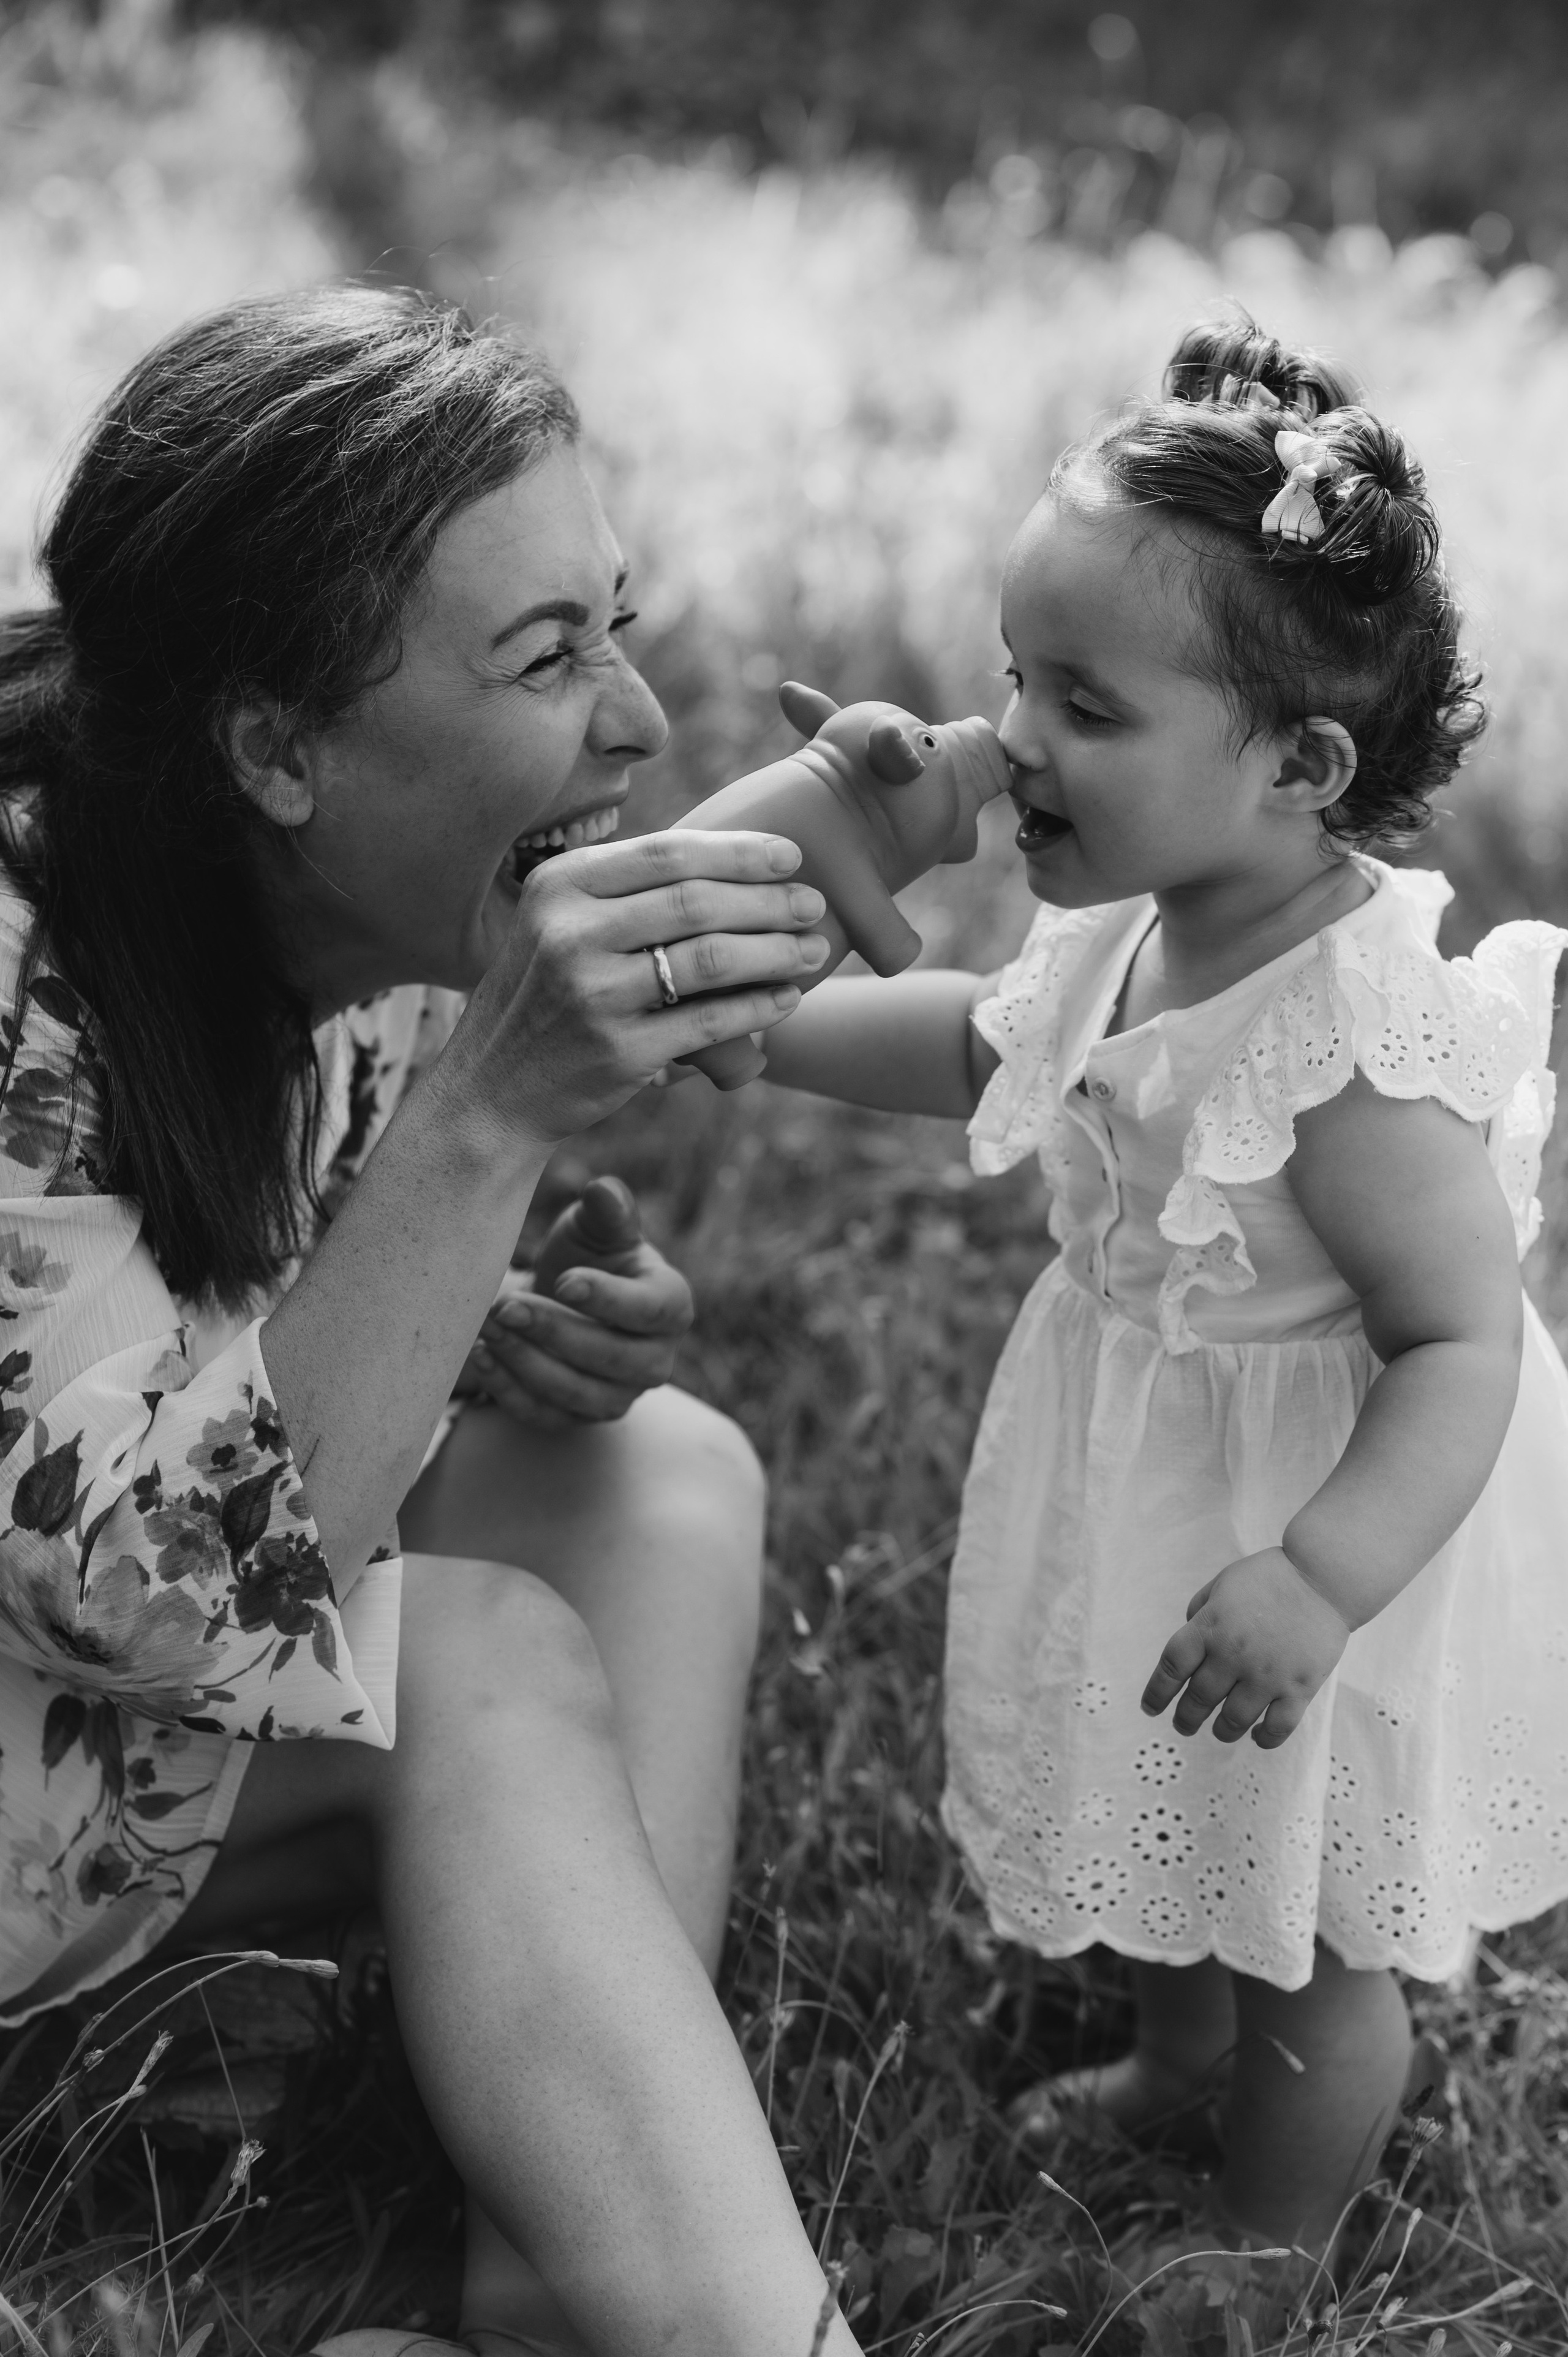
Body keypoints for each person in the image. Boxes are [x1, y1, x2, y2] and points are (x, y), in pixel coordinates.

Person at [0, 283, 867, 2357]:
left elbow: (251, 1307)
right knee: (470, 1665)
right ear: (277, 748)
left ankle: (561, 2292)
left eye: (616, 625)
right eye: (545, 658)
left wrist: (483, 1305)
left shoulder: (350, 893)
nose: (643, 725)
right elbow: (150, 1607)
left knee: (648, 1475)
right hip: (75, 1668)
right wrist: (486, 1115)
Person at [756, 317, 1568, 2255]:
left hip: (1323, 1521)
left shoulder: (1354, 1056)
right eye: (1015, 680)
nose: (1017, 739)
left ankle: (1268, 2244)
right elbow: (983, 1045)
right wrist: (778, 1029)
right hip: (1159, 1469)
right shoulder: (1145, 921)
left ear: (1303, 766)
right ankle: (1169, 2055)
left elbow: (1463, 1346)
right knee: (1171, 1785)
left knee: (1304, 1922)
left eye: (1088, 708)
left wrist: (1323, 1579)